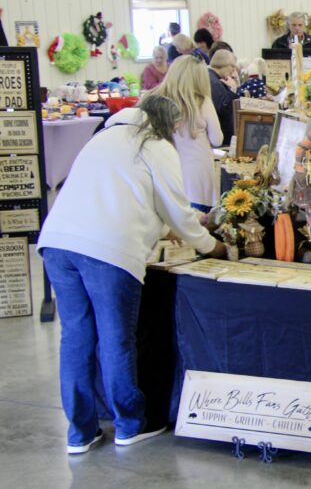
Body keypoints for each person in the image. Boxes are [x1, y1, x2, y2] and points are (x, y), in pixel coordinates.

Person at [38, 94, 226, 455]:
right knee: (116, 338)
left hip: (58, 243)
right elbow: (179, 211)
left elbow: (119, 198)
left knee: (75, 339)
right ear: (166, 124)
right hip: (106, 251)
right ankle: (129, 424)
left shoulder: (103, 137)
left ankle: (79, 432)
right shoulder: (155, 145)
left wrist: (159, 227)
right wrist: (211, 246)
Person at [150, 56, 223, 211]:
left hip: (168, 171)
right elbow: (217, 139)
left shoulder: (157, 101)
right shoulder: (202, 102)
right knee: (199, 221)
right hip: (198, 173)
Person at [207, 49, 240, 142]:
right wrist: (233, 90)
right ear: (223, 64)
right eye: (232, 66)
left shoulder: (211, 77)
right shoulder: (215, 83)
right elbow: (224, 109)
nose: (233, 70)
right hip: (222, 137)